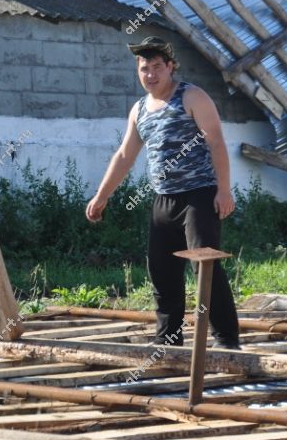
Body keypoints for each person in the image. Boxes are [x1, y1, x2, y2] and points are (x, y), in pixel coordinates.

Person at [85, 37, 241, 349]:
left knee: (204, 267)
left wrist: (224, 191)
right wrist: (101, 196)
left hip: (199, 195)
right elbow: (125, 156)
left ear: (170, 67)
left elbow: (216, 143)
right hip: (163, 199)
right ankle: (168, 341)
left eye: (157, 67)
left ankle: (227, 342)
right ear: (138, 72)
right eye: (145, 69)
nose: (151, 74)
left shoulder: (192, 96)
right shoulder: (139, 109)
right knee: (161, 270)